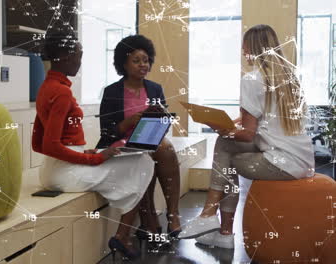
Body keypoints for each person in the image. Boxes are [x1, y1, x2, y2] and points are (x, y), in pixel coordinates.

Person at [177, 24, 315, 249]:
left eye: (245, 46)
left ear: (255, 47)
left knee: (226, 151)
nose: (242, 51)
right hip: (303, 161)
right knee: (227, 150)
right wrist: (235, 123)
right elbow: (267, 120)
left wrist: (219, 127)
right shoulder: (289, 78)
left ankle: (214, 221)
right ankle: (218, 228)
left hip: (280, 163)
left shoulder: (252, 79)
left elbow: (247, 134)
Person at [32, 25, 154, 260]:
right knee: (144, 162)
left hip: (49, 170)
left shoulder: (45, 88)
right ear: (67, 57)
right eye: (79, 55)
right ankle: (123, 235)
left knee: (135, 161)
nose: (80, 61)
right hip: (65, 174)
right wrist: (93, 157)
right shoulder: (62, 92)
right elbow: (49, 145)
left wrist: (81, 151)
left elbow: (39, 144)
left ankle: (125, 233)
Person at [96, 35, 182, 243]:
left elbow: (161, 123)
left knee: (165, 148)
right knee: (145, 155)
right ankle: (149, 220)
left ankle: (172, 214)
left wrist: (159, 117)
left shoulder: (155, 89)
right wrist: (130, 122)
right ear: (123, 64)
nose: (143, 65)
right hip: (121, 144)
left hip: (149, 139)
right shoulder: (112, 92)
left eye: (146, 60)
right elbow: (106, 133)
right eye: (136, 60)